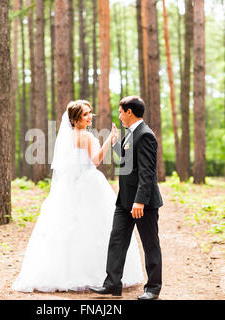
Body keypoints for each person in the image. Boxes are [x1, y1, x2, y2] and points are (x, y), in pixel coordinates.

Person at [11, 100, 144, 293]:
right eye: (85, 114)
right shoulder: (86, 136)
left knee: (71, 228)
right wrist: (111, 139)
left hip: (71, 184)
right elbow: (97, 160)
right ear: (74, 119)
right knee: (97, 227)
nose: (90, 116)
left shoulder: (70, 136)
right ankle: (97, 274)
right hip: (90, 183)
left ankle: (69, 272)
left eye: (90, 112)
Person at [90, 96, 163, 300]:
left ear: (129, 112)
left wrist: (140, 200)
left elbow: (147, 172)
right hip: (124, 201)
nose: (120, 115)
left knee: (150, 244)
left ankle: (153, 288)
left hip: (143, 203)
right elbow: (123, 162)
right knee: (117, 240)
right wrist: (114, 143)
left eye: (121, 111)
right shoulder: (130, 134)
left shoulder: (145, 135)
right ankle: (112, 284)